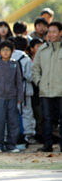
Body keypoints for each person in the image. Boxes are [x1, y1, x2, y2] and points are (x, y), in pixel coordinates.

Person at [32, 21, 62, 152]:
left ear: (61, 33)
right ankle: (47, 144)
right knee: (46, 119)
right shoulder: (42, 50)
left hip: (61, 90)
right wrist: (39, 82)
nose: (51, 34)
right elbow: (35, 69)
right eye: (49, 31)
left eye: (54, 31)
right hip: (46, 90)